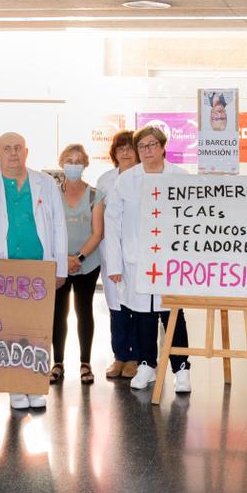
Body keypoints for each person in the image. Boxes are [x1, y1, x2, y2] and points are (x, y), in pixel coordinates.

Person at [0, 132, 68, 410]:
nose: (13, 153)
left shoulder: (45, 183)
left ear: (26, 151)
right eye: (6, 148)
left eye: (18, 148)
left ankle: (34, 385)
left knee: (38, 330)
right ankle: (15, 387)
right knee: (9, 330)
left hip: (39, 268)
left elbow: (58, 226)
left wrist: (60, 268)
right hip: (4, 268)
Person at [103, 126, 192, 393]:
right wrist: (115, 264)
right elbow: (113, 222)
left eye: (152, 145)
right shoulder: (127, 180)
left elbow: (193, 220)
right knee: (142, 314)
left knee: (173, 314)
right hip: (136, 260)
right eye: (142, 147)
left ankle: (182, 368)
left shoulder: (181, 177)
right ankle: (146, 364)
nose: (147, 151)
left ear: (163, 147)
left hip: (171, 261)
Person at [50, 144, 104, 385]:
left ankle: (85, 363)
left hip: (87, 263)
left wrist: (78, 258)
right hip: (59, 264)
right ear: (62, 163)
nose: (73, 164)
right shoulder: (52, 193)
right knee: (58, 313)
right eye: (69, 160)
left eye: (78, 161)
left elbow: (97, 232)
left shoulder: (95, 195)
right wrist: (63, 259)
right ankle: (58, 363)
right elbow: (48, 229)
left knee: (84, 311)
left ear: (85, 165)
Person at [95, 131, 139, 379]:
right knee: (115, 305)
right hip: (110, 251)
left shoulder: (146, 179)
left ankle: (137, 357)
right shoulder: (104, 180)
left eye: (129, 147)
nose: (125, 152)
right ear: (114, 153)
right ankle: (120, 356)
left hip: (138, 253)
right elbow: (99, 220)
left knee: (138, 305)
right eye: (120, 148)